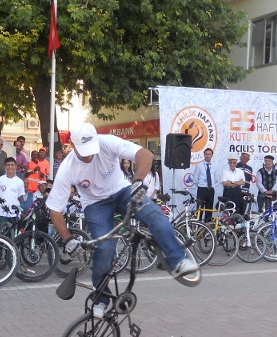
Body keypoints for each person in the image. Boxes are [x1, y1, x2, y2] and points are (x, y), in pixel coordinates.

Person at [47, 123, 198, 318]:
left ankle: (178, 260)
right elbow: (55, 209)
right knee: (104, 248)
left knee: (153, 213)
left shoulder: (107, 142)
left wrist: (138, 181)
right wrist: (68, 240)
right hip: (95, 204)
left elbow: (145, 154)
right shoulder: (68, 168)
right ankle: (100, 298)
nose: (89, 156)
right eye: (84, 152)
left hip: (123, 191)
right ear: (73, 146)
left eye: (91, 150)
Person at [0, 157, 25, 228]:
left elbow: (20, 197)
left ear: (16, 166)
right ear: (5, 166)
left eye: (12, 165)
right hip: (2, 213)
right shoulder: (0, 180)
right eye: (8, 165)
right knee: (1, 236)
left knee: (13, 236)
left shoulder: (19, 182)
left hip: (14, 213)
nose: (10, 167)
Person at [193, 148, 217, 220]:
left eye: (209, 154)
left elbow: (215, 178)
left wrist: (211, 185)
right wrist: (201, 185)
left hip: (211, 190)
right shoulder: (199, 165)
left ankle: (207, 226)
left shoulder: (214, 165)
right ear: (204, 155)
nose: (208, 156)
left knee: (209, 209)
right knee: (200, 208)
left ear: (212, 155)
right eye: (206, 154)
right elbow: (195, 179)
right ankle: (198, 224)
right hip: (202, 189)